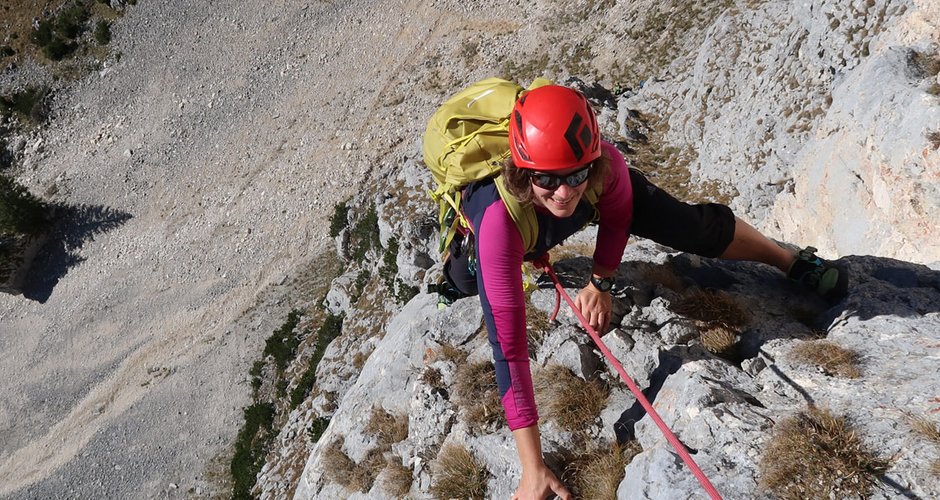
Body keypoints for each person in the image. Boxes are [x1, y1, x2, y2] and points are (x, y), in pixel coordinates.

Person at [439, 84, 847, 499]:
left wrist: (601, 281)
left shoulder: (606, 166)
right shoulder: (498, 223)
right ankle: (454, 277)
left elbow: (619, 216)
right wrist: (533, 467)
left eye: (575, 174)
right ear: (524, 171)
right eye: (547, 178)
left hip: (558, 214)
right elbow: (508, 347)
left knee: (692, 226)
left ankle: (790, 260)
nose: (563, 191)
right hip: (510, 228)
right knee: (466, 281)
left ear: (591, 162)